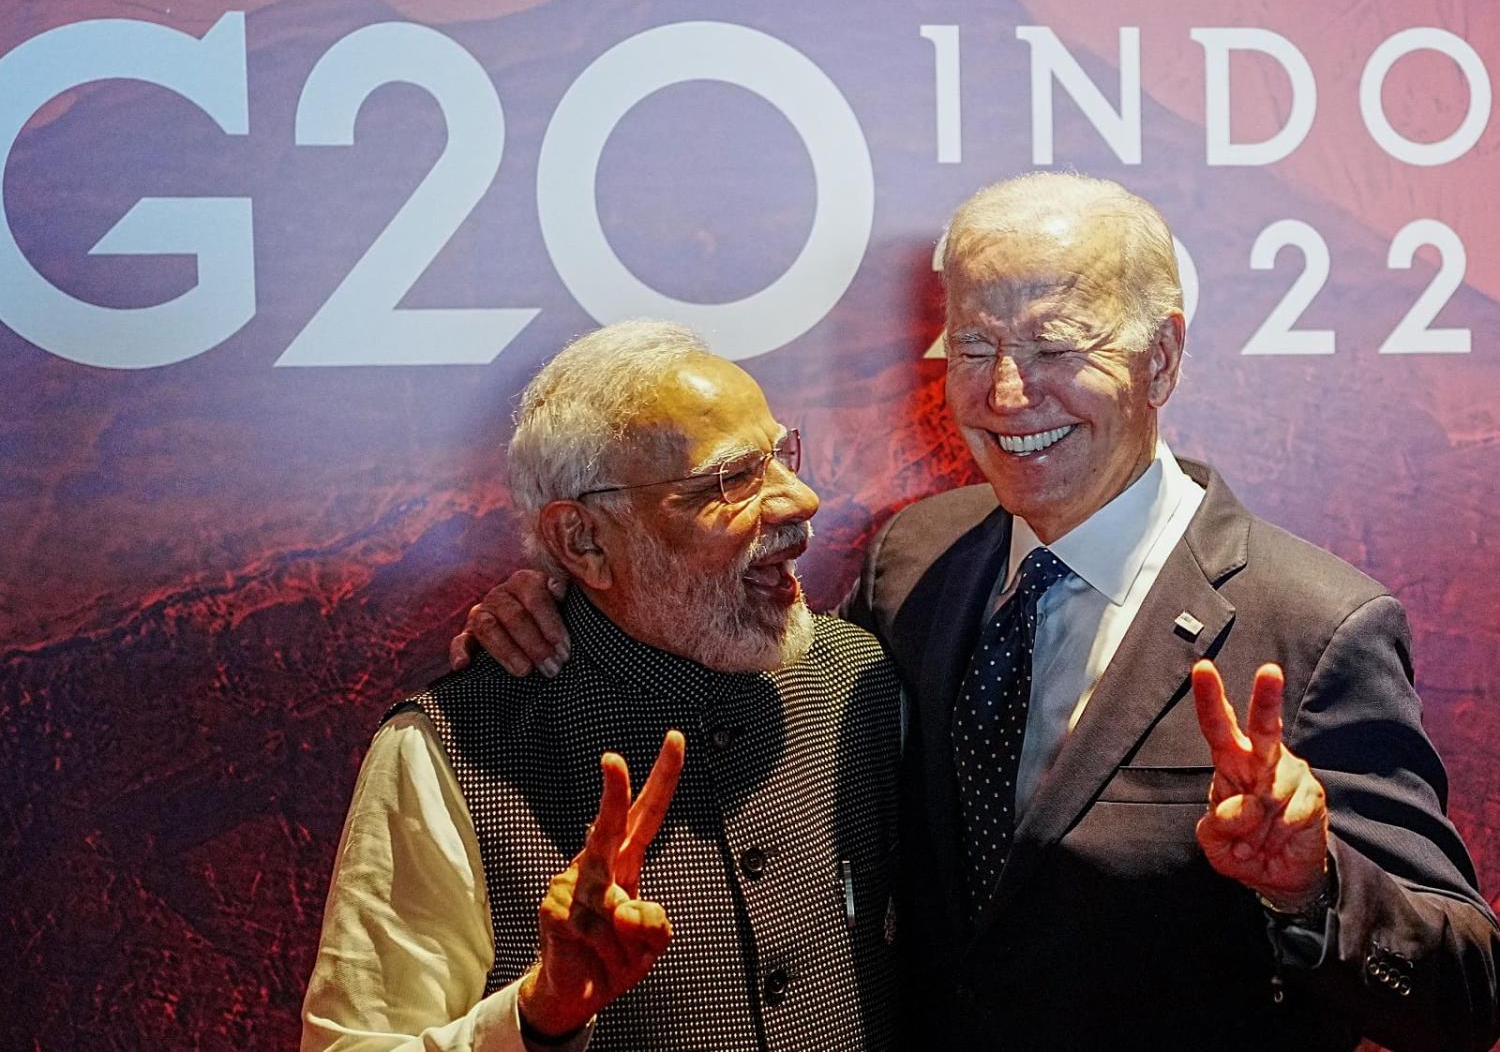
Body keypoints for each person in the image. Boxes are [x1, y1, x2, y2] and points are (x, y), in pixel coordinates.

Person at [451, 174, 1500, 1051]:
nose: (1004, 395)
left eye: (1054, 348)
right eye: (971, 348)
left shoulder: (1315, 626)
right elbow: (739, 661)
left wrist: (1310, 885)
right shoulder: (917, 558)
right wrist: (573, 600)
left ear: (1162, 359)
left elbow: (1467, 990)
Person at [303, 320, 903, 1051]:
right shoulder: (447, 752)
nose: (800, 500)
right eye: (732, 479)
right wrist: (535, 1015)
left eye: (780, 456)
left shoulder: (860, 682)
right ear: (583, 540)